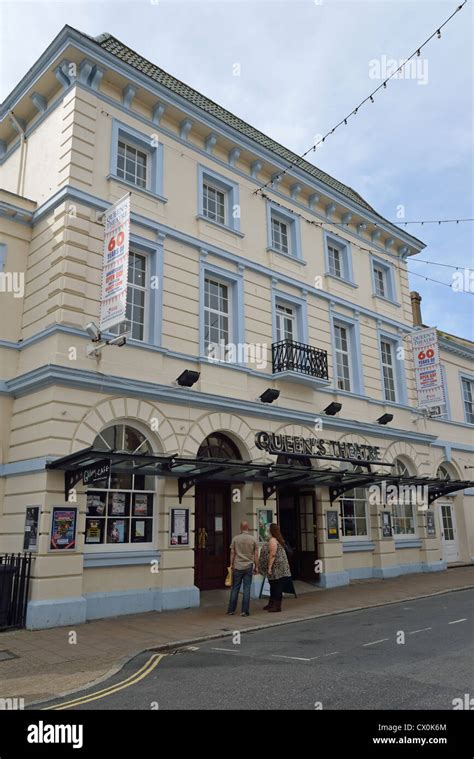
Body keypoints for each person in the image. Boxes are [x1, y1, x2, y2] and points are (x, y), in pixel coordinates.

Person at [226, 521, 258, 617]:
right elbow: (256, 554)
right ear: (248, 528)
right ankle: (244, 611)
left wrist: (231, 564)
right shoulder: (253, 539)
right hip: (248, 566)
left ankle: (231, 610)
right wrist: (257, 566)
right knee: (247, 588)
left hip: (237, 566)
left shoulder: (235, 539)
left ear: (241, 528)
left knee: (235, 588)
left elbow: (232, 553)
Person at [264, 523, 291, 613]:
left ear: (271, 531)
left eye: (268, 530)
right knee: (273, 585)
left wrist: (269, 567)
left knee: (277, 586)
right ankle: (271, 603)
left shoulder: (273, 540)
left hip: (277, 567)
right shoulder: (279, 539)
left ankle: (277, 606)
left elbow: (272, 554)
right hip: (281, 566)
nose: (267, 531)